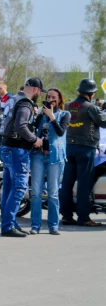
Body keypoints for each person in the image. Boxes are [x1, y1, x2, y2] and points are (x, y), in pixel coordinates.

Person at [0, 77, 44, 238]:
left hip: (6, 146)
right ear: (36, 89)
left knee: (9, 189)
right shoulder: (25, 103)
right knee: (18, 188)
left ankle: (9, 223)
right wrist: (35, 139)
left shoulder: (13, 99)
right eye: (39, 92)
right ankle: (8, 225)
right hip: (17, 149)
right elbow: (21, 125)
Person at [60, 79, 106, 226]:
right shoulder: (90, 107)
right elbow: (103, 122)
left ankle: (66, 216)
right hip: (86, 148)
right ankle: (84, 218)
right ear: (91, 93)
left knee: (67, 183)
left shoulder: (67, 105)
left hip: (68, 148)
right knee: (84, 184)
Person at [29, 88, 69, 235]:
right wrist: (36, 115)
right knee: (36, 192)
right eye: (48, 97)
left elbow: (60, 132)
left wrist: (51, 116)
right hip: (38, 156)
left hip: (55, 158)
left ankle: (53, 225)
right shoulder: (41, 115)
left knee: (52, 193)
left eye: (54, 97)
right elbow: (33, 131)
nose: (51, 99)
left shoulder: (65, 114)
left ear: (59, 100)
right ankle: (35, 225)